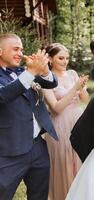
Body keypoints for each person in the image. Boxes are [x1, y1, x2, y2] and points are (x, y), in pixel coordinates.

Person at [0, 33, 58, 200]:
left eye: (22, 49)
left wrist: (44, 68)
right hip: (9, 148)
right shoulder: (27, 72)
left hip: (37, 146)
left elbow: (51, 82)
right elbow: (4, 95)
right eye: (15, 49)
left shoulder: (23, 71)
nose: (20, 53)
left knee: (39, 194)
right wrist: (32, 71)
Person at [42, 43, 89, 200]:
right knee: (65, 164)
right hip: (60, 125)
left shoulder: (72, 73)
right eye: (61, 58)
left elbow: (85, 99)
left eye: (67, 58)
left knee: (81, 161)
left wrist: (81, 87)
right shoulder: (45, 80)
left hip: (78, 120)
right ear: (49, 59)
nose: (65, 61)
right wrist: (74, 88)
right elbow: (56, 108)